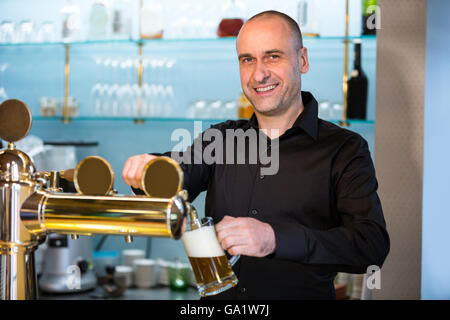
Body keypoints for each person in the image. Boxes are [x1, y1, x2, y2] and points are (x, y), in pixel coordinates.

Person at [122, 10, 390, 299]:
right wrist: (149, 168)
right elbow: (177, 174)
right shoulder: (221, 139)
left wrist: (274, 239)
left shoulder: (344, 148)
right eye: (247, 59)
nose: (259, 73)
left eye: (273, 56)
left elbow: (370, 245)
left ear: (302, 60)